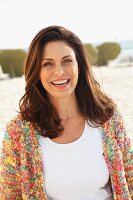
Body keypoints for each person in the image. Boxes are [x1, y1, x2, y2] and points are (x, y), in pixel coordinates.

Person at [0, 25, 133, 200]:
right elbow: (9, 195)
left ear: (79, 65)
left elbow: (130, 181)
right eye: (47, 64)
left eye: (67, 61)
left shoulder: (108, 118)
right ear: (37, 72)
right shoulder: (18, 133)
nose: (59, 72)